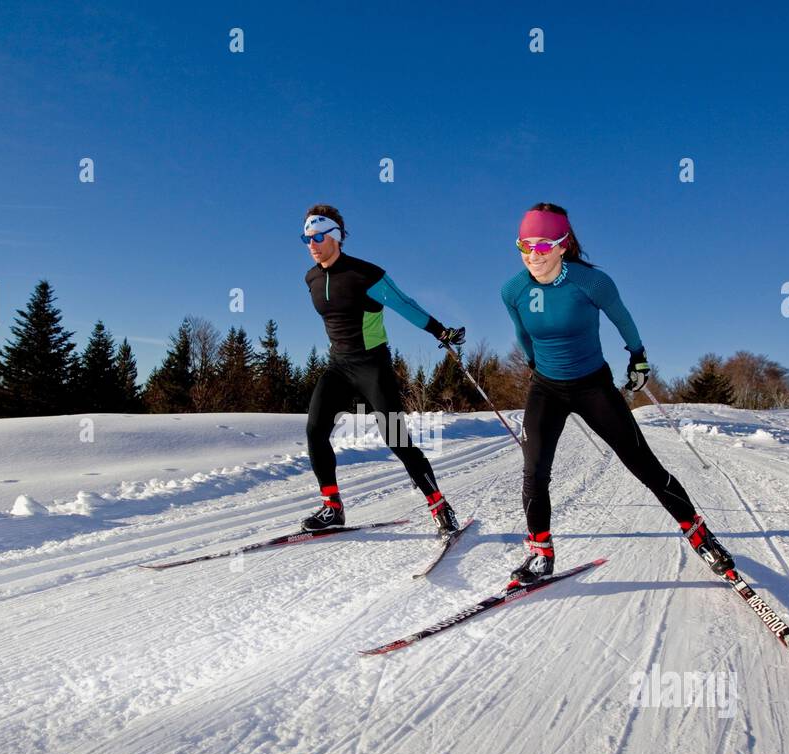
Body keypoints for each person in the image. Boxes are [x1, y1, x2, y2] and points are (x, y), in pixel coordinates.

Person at [500, 202, 735, 584]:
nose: (533, 255)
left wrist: (638, 358)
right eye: (524, 246)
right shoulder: (512, 290)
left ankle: (698, 533)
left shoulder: (591, 282)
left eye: (543, 246)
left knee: (642, 463)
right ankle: (540, 553)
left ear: (562, 245)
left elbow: (623, 320)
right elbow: (523, 334)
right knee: (534, 471)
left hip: (592, 385)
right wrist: (532, 364)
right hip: (545, 387)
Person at [300, 204, 465, 535]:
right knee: (315, 430)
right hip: (338, 366)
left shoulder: (366, 274)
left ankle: (439, 505)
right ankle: (333, 507)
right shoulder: (312, 278)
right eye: (306, 238)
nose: (312, 244)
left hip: (372, 366)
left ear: (335, 237)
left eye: (318, 236)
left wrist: (440, 331)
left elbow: (405, 304)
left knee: (396, 440)